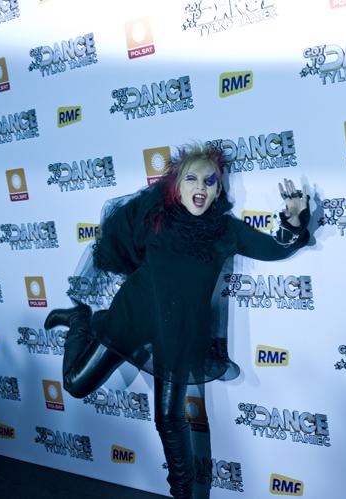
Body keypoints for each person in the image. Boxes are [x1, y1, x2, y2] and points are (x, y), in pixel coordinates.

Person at [43, 143, 311, 498]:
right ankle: (80, 320)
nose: (201, 187)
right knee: (75, 385)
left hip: (178, 335)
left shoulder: (225, 231)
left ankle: (182, 494)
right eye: (192, 179)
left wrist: (294, 221)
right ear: (177, 185)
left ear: (218, 190)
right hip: (131, 317)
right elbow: (117, 238)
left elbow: (275, 248)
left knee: (169, 418)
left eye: (210, 181)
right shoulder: (155, 217)